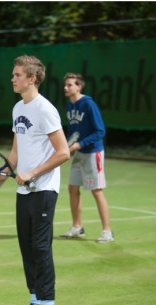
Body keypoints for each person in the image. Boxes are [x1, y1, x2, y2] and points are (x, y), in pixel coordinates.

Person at [0, 55, 69, 305]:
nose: (13, 78)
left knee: (41, 248)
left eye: (17, 74)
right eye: (13, 73)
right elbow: (15, 153)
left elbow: (63, 152)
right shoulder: (18, 108)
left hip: (43, 189)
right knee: (27, 248)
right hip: (23, 192)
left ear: (32, 79)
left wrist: (32, 174)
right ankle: (35, 302)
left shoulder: (45, 110)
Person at [60, 73, 113, 243]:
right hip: (79, 152)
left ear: (79, 86)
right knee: (72, 188)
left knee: (96, 191)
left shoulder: (88, 104)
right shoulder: (69, 105)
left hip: (93, 153)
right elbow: (72, 131)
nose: (66, 88)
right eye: (65, 85)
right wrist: (67, 147)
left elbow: (100, 131)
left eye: (69, 85)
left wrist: (79, 145)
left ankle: (107, 232)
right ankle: (77, 227)